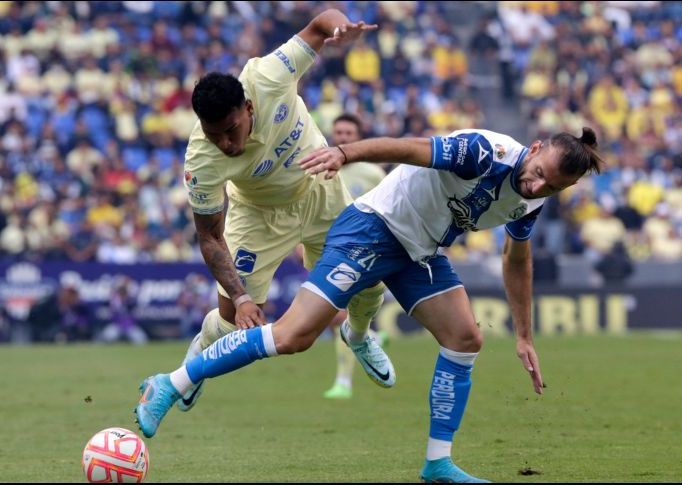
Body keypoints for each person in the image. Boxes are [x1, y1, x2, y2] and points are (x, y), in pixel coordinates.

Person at [136, 126, 604, 483]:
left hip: (420, 253)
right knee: (294, 336)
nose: (537, 186)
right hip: (373, 228)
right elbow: (408, 148)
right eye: (538, 173)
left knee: (465, 338)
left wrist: (524, 335)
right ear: (534, 148)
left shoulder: (532, 201)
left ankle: (438, 464)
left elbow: (516, 258)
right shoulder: (484, 152)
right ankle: (170, 383)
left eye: (551, 187)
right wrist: (345, 153)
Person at [173, 9, 391, 414]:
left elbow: (320, 23)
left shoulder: (268, 76)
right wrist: (240, 298)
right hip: (259, 214)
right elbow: (209, 237)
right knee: (230, 324)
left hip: (320, 189)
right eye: (214, 135)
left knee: (370, 280)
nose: (225, 144)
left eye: (231, 130)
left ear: (248, 108)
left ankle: (358, 336)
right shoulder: (201, 161)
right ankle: (197, 358)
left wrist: (340, 27)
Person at [322, 113, 388, 400]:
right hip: (326, 248)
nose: (343, 137)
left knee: (339, 317)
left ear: (358, 137)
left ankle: (343, 383)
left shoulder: (373, 173)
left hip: (364, 252)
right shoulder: (323, 166)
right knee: (332, 318)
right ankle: (371, 337)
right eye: (339, 132)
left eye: (349, 133)